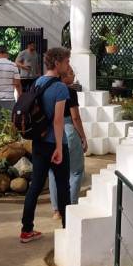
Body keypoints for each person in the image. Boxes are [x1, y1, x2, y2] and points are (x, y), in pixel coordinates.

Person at [20, 47, 71, 243]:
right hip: (55, 144)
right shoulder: (60, 88)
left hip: (38, 143)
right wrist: (59, 147)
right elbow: (58, 120)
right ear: (57, 63)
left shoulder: (37, 82)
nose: (68, 65)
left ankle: (26, 229)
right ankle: (67, 228)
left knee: (35, 186)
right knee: (62, 186)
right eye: (66, 62)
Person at [49, 64, 87, 222]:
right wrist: (83, 137)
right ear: (63, 76)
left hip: (51, 132)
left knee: (53, 172)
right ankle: (70, 208)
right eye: (71, 73)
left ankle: (56, 211)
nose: (73, 76)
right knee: (75, 171)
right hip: (69, 130)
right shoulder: (69, 91)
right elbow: (75, 117)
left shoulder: (49, 90)